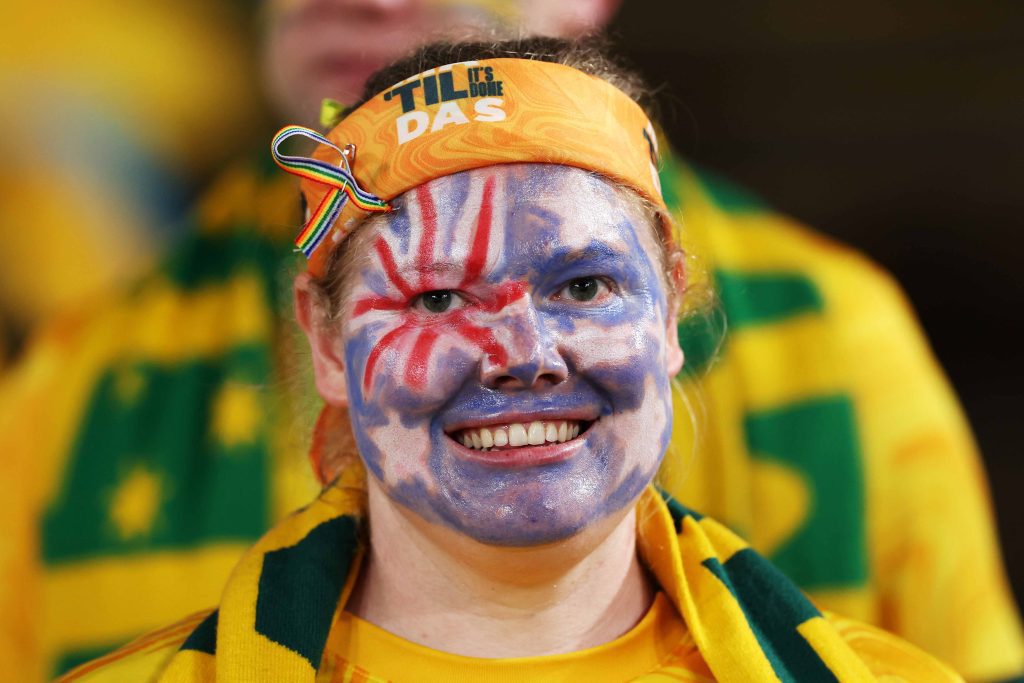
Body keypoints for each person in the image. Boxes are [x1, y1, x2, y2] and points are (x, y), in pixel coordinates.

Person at [2, 2, 1020, 681]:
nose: (518, 348)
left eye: (583, 283)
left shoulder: (832, 323)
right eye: (434, 296)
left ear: (673, 309)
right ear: (318, 338)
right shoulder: (74, 364)